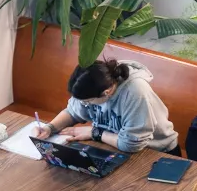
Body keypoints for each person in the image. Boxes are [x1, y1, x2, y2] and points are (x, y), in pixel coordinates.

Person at [34, 58, 179, 154]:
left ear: (107, 93)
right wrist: (50, 128)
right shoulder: (93, 83)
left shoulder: (135, 93)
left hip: (156, 153)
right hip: (113, 146)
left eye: (87, 102)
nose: (84, 104)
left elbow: (131, 144)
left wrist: (94, 133)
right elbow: (73, 112)